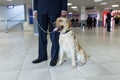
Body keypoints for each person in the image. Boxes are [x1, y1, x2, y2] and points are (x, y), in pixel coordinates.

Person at [32, 0, 67, 66]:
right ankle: (42, 56)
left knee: (55, 36)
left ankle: (54, 58)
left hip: (55, 8)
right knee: (41, 35)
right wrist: (35, 9)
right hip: (41, 8)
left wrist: (64, 8)